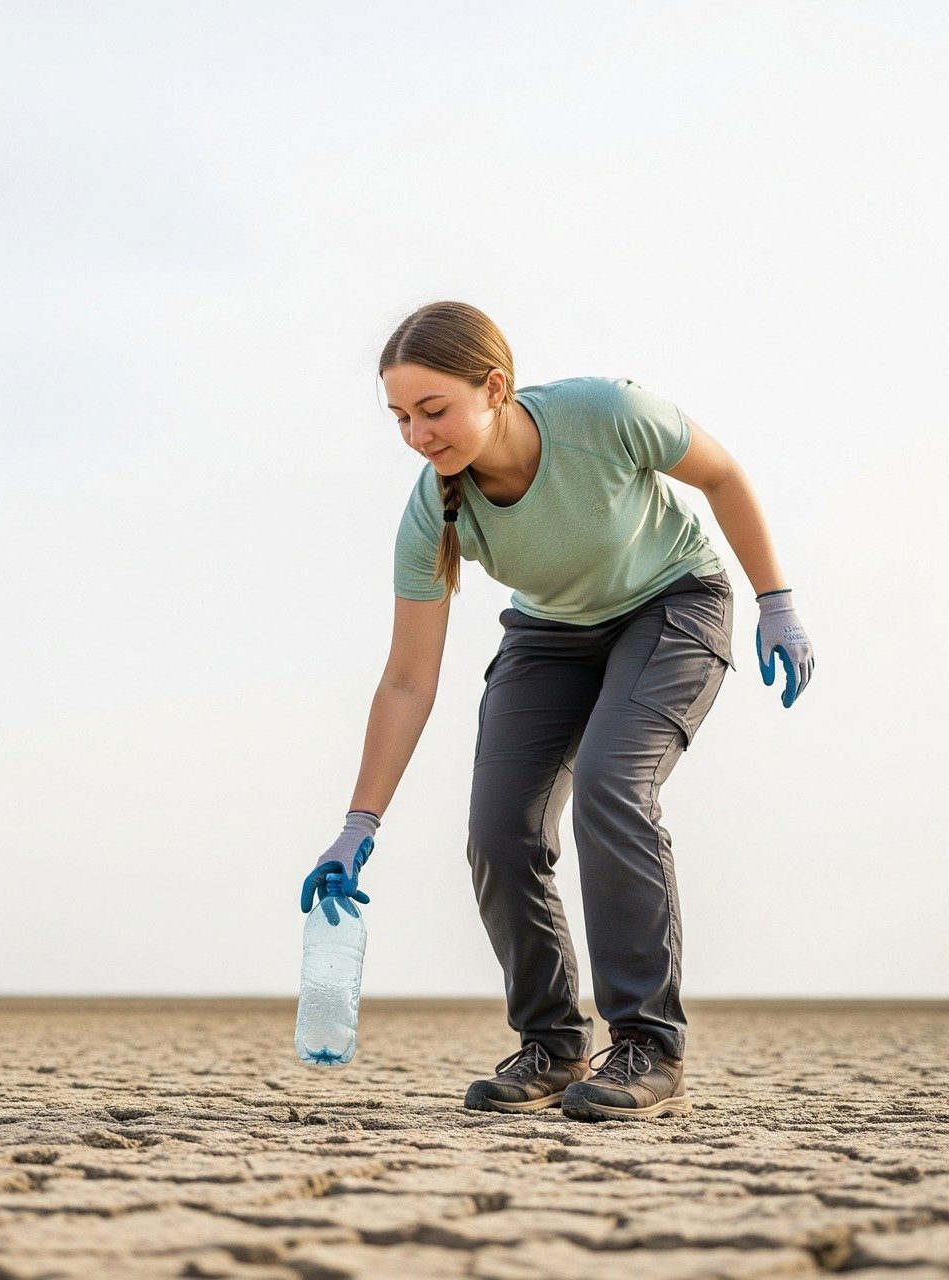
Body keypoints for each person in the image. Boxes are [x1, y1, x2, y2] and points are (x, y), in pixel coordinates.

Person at [299, 300, 815, 1123]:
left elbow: (719, 474)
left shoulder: (602, 413)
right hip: (551, 634)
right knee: (501, 826)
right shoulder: (431, 512)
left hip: (673, 605)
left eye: (433, 410)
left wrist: (776, 600)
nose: (418, 435)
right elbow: (407, 679)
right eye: (400, 418)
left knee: (614, 783)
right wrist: (360, 821)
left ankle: (648, 1043)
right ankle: (551, 1042)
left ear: (494, 387)